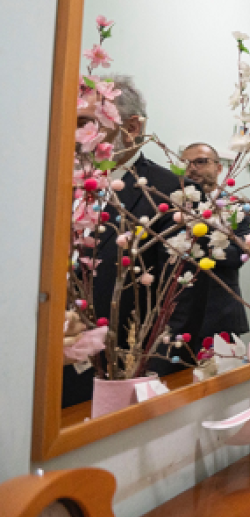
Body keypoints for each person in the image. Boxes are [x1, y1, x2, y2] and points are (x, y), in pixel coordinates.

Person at [64, 75, 184, 405]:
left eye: (86, 123)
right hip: (55, 369)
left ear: (131, 126)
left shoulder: (170, 193)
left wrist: (148, 378)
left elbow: (181, 301)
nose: (75, 135)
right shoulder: (65, 184)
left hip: (122, 374)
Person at [166, 142, 250, 357]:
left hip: (220, 317)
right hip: (173, 318)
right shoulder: (170, 207)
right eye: (186, 163)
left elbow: (238, 256)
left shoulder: (236, 208)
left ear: (219, 167)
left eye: (201, 162)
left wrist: (200, 238)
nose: (192, 168)